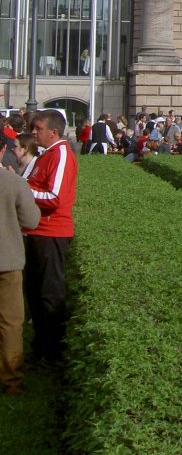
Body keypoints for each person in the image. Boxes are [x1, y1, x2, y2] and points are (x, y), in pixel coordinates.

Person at [23, 108, 78, 364]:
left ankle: (54, 354)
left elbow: (54, 198)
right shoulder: (46, 155)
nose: (33, 133)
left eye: (38, 129)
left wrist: (22, 193)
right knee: (34, 292)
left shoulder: (62, 155)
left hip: (51, 233)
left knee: (50, 294)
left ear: (53, 132)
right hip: (37, 231)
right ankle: (41, 348)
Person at [0, 163, 41, 395]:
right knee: (11, 324)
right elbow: (31, 220)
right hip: (8, 261)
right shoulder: (13, 181)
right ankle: (12, 381)